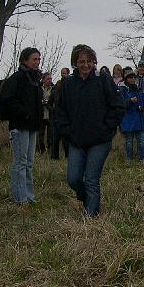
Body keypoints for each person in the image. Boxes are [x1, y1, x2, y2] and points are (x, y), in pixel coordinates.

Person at [54, 45, 125, 217]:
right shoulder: (68, 84)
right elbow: (60, 111)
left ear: (94, 62)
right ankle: (86, 199)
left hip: (100, 140)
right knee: (74, 179)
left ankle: (91, 216)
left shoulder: (103, 80)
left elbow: (117, 106)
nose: (85, 65)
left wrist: (107, 127)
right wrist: (67, 131)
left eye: (89, 61)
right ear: (75, 63)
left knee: (91, 180)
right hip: (76, 140)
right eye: (81, 62)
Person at [0, 47, 43, 205]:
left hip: (33, 126)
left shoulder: (36, 80)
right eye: (34, 59)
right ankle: (19, 198)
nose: (37, 62)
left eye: (38, 59)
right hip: (20, 125)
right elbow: (8, 100)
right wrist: (24, 113)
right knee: (21, 162)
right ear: (25, 60)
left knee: (29, 163)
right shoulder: (17, 78)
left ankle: (29, 196)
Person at [120, 71, 144, 160]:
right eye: (130, 78)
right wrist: (130, 101)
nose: (133, 79)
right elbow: (120, 104)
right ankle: (129, 160)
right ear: (126, 79)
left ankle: (142, 159)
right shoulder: (122, 90)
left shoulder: (139, 90)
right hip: (128, 120)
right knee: (129, 142)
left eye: (134, 78)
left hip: (139, 120)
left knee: (141, 142)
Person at [48, 67, 70, 159]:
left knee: (66, 140)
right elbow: (49, 103)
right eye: (61, 73)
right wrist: (53, 110)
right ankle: (54, 157)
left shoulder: (71, 86)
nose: (62, 75)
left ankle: (68, 157)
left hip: (67, 118)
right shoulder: (56, 88)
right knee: (55, 139)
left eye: (64, 73)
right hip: (56, 117)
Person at [37, 72, 54, 154]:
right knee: (40, 134)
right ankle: (42, 150)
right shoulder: (39, 89)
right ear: (43, 80)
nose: (50, 80)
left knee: (50, 135)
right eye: (48, 79)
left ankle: (50, 150)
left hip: (50, 114)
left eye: (50, 79)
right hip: (41, 114)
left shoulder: (53, 89)